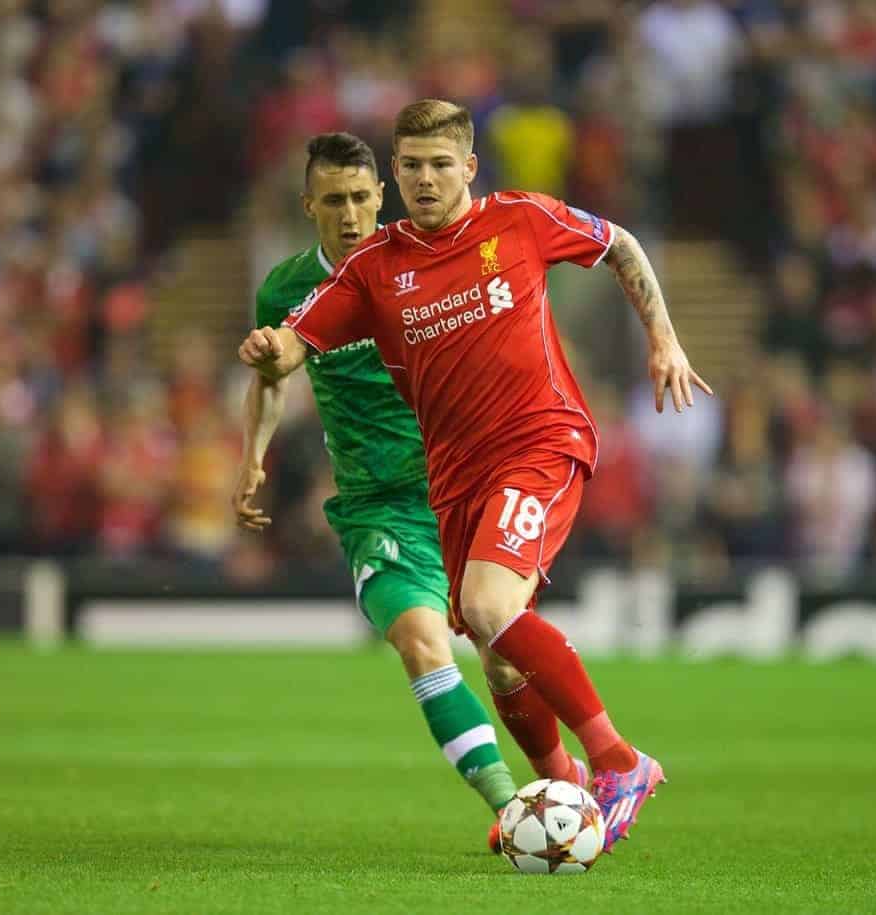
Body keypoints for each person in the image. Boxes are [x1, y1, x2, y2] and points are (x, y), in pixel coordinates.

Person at [240, 100, 712, 852]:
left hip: (538, 443)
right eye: (412, 166)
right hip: (454, 479)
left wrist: (665, 339)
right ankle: (561, 797)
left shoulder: (519, 220)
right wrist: (274, 350)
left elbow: (620, 243)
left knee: (489, 606)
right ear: (396, 173)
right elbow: (302, 340)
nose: (426, 179)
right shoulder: (376, 268)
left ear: (468, 167)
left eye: (440, 164)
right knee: (496, 660)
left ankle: (621, 761)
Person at [233, 132, 533, 849]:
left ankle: (560, 775)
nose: (350, 213)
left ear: (383, 196)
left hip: (463, 485)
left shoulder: (423, 262)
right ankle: (510, 805)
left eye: (363, 198)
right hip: (377, 503)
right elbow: (274, 377)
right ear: (310, 204)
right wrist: (254, 455)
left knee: (504, 655)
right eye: (333, 200)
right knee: (422, 642)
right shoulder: (284, 288)